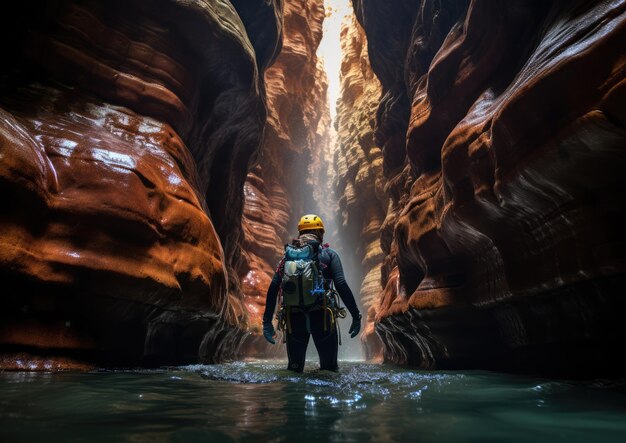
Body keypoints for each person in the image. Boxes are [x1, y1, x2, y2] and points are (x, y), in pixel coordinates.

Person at [262, 214, 361, 372]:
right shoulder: (329, 255)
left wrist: (267, 322)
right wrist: (356, 316)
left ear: (300, 233)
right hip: (321, 317)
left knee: (294, 371)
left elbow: (274, 286)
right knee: (329, 371)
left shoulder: (288, 257)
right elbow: (341, 284)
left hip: (294, 318)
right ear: (320, 233)